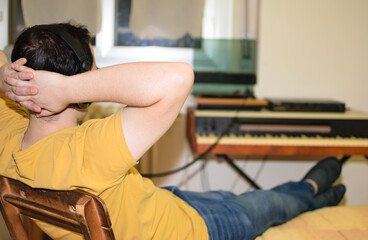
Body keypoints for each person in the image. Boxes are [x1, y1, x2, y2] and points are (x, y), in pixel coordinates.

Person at [0, 23, 346, 240]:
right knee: (271, 204)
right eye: (93, 71)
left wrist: (7, 80)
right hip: (192, 230)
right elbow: (178, 77)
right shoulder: (86, 151)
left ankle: (312, 193)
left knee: (230, 197)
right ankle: (312, 190)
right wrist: (66, 90)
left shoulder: (9, 132)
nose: (97, 77)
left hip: (162, 203)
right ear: (68, 87)